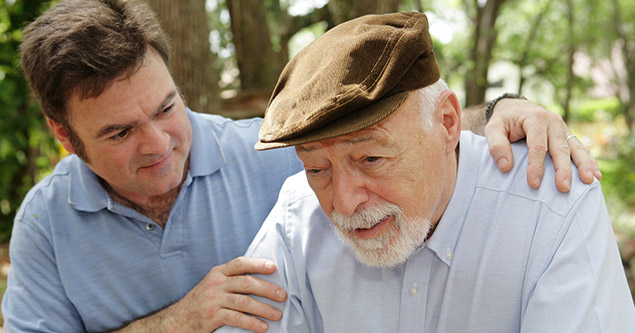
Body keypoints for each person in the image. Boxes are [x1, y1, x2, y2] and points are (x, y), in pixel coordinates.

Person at [1, 1, 601, 332]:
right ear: (65, 135)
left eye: (167, 107)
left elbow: (391, 128)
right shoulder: (45, 226)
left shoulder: (269, 157)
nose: (159, 142)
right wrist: (177, 323)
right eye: (120, 131)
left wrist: (506, 109)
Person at [217, 12, 635, 332]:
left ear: (448, 123)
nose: (343, 203)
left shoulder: (551, 207)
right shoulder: (296, 219)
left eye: (371, 159)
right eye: (316, 168)